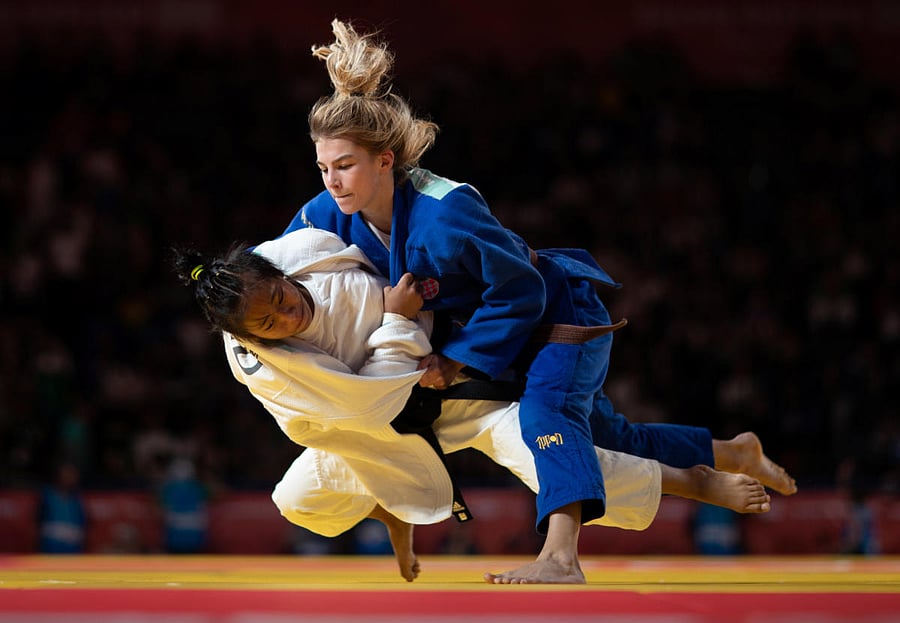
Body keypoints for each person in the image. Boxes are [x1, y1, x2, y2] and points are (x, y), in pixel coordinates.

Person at [276, 20, 797, 583]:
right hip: (496, 327)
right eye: (324, 167)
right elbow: (276, 262)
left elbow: (521, 288)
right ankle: (733, 451)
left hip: (557, 315)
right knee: (607, 435)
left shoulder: (445, 210)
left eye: (345, 165)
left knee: (547, 417)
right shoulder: (326, 213)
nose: (332, 180)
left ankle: (560, 556)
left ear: (386, 159)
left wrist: (458, 360)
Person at [173, 227, 773, 582]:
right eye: (269, 322)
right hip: (370, 428)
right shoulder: (266, 365)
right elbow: (366, 409)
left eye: (278, 297)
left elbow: (333, 209)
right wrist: (393, 320)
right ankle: (390, 508)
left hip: (453, 397)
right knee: (296, 501)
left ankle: (691, 480)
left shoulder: (300, 250)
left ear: (275, 269)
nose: (286, 315)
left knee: (549, 455)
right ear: (249, 337)